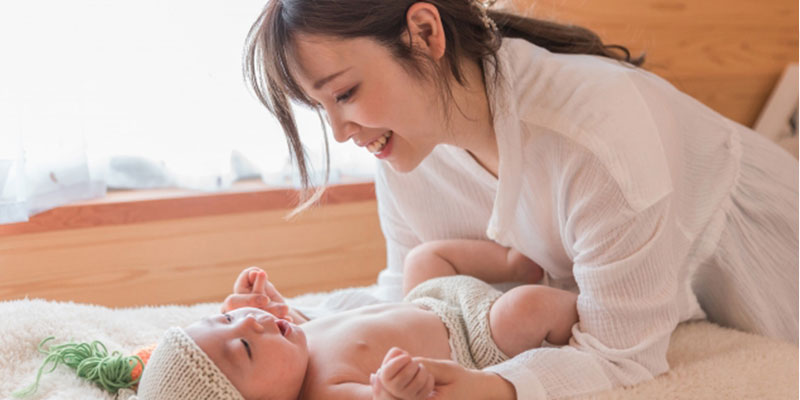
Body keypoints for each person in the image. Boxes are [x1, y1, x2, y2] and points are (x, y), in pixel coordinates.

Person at [241, 0, 799, 398]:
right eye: (322, 108)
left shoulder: (598, 133)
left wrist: (496, 387)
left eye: (345, 93)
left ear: (425, 32)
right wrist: (294, 328)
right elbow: (410, 306)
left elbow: (621, 354)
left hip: (775, 257)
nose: (340, 133)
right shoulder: (406, 153)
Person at [137, 242, 579, 400]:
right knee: (525, 310)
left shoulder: (292, 344)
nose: (249, 322)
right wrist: (393, 390)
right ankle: (581, 317)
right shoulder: (323, 392)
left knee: (422, 257)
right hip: (474, 341)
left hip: (426, 301)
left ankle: (513, 262)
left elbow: (304, 319)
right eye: (245, 348)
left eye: (227, 318)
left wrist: (270, 304)